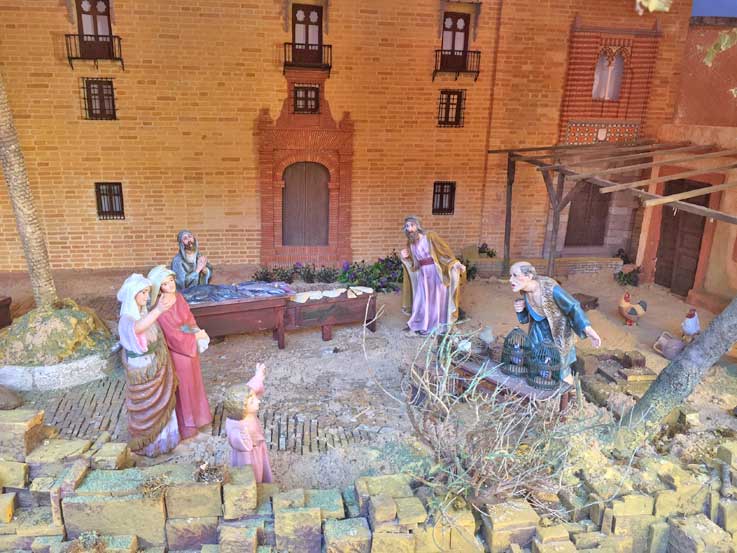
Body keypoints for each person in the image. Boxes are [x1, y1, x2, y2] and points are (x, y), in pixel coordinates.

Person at [116, 273, 180, 456]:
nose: (146, 297)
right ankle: (150, 443)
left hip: (155, 365)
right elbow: (137, 328)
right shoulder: (127, 319)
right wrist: (158, 310)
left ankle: (166, 440)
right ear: (132, 294)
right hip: (142, 369)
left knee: (163, 401)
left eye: (147, 292)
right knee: (148, 404)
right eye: (142, 293)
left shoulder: (144, 313)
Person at [148, 265, 213, 440]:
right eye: (165, 283)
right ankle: (187, 427)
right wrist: (193, 338)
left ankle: (200, 418)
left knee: (195, 384)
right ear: (159, 287)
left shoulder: (179, 297)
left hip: (190, 347)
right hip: (178, 352)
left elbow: (188, 320)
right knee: (184, 388)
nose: (170, 285)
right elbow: (172, 334)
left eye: (171, 281)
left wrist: (196, 331)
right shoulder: (160, 307)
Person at [509, 261, 601, 384]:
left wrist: (588, 329)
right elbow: (527, 318)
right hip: (537, 332)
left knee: (561, 369)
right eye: (511, 275)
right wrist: (521, 310)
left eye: (515, 275)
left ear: (529, 276)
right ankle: (542, 388)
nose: (510, 280)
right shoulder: (524, 290)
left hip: (557, 333)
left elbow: (573, 307)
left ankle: (568, 392)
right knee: (537, 363)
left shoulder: (551, 289)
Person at [400, 216, 465, 336]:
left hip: (436, 273)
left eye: (412, 225)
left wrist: (455, 263)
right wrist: (405, 257)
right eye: (407, 226)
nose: (410, 229)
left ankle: (438, 326)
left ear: (418, 225)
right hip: (423, 275)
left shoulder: (430, 236)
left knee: (437, 300)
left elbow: (444, 251)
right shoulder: (411, 243)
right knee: (421, 300)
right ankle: (421, 324)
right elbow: (414, 264)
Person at [223, 363, 273, 483]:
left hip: (258, 447)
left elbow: (250, 388)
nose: (258, 401)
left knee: (261, 467)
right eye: (252, 401)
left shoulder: (244, 400)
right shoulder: (235, 423)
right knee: (253, 473)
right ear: (242, 407)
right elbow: (235, 438)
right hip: (248, 455)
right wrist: (241, 438)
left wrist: (258, 376)